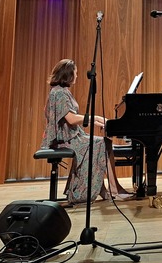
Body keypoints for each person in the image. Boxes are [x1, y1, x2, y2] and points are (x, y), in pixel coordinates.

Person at [41, 59, 132, 204]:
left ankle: (107, 189)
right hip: (64, 140)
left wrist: (97, 120)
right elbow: (71, 119)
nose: (77, 76)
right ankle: (113, 189)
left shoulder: (61, 91)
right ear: (68, 74)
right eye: (75, 73)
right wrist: (95, 118)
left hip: (72, 136)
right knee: (102, 143)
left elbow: (71, 117)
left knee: (104, 143)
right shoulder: (59, 93)